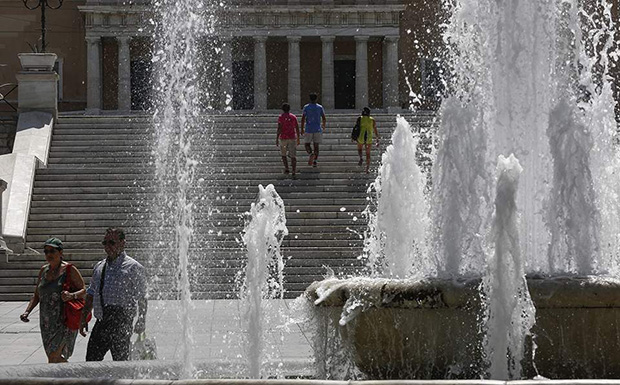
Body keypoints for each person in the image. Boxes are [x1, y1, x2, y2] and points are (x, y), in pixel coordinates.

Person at [80, 227, 147, 361]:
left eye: (112, 242)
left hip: (121, 321)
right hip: (102, 320)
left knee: (121, 361)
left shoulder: (133, 267)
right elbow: (91, 293)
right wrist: (84, 317)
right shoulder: (99, 267)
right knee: (91, 360)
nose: (107, 247)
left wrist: (141, 319)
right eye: (105, 243)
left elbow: (142, 297)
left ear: (123, 243)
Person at [20, 238, 87, 363]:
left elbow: (84, 291)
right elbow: (36, 295)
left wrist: (71, 295)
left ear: (61, 252)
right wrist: (27, 312)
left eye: (52, 251)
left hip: (64, 321)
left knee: (54, 357)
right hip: (46, 323)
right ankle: (64, 379)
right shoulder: (44, 270)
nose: (49, 254)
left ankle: (73, 377)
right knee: (52, 358)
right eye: (46, 252)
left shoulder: (69, 269)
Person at [301, 93, 326, 168]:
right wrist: (323, 125)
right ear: (316, 99)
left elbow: (303, 119)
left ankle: (310, 153)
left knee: (307, 144)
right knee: (316, 145)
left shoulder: (306, 107)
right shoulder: (319, 107)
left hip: (309, 128)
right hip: (317, 128)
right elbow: (324, 117)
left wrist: (302, 128)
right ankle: (315, 161)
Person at [276, 103, 300, 176]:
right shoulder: (293, 117)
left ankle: (287, 168)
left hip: (283, 138)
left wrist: (277, 138)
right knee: (293, 156)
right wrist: (298, 137)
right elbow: (297, 127)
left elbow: (279, 128)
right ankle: (293, 170)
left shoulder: (281, 117)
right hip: (292, 137)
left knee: (283, 155)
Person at [356, 107, 380, 174]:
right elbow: (375, 130)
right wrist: (377, 139)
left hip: (361, 136)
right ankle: (367, 169)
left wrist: (353, 137)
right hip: (369, 137)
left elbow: (356, 128)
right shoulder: (372, 120)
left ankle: (361, 157)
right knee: (368, 153)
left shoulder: (360, 118)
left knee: (360, 149)